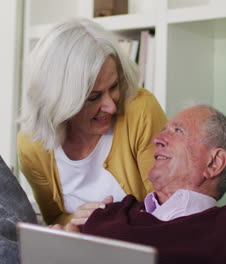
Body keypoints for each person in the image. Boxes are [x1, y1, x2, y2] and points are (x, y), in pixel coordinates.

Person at [51, 105, 226, 264]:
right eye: (164, 130)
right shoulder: (114, 210)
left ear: (214, 163)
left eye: (177, 131)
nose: (157, 138)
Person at [17, 18, 167, 225]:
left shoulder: (141, 111)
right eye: (93, 97)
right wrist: (76, 220)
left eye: (113, 87)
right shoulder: (32, 144)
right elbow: (55, 220)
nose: (111, 107)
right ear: (58, 101)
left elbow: (169, 209)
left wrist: (111, 221)